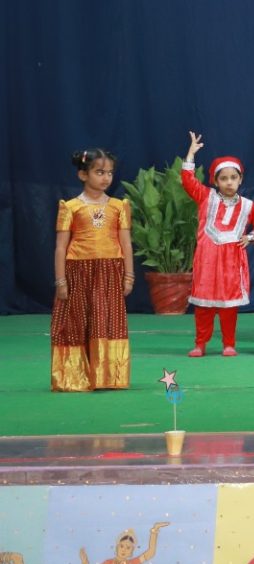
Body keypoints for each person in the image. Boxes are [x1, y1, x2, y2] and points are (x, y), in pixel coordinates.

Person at [52, 148, 134, 392]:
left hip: (110, 271)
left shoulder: (119, 206)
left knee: (106, 319)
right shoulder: (70, 207)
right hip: (78, 272)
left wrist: (129, 276)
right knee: (77, 320)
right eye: (99, 172)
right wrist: (60, 281)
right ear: (82, 175)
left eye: (110, 172)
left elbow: (126, 244)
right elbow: (60, 247)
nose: (106, 177)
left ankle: (107, 375)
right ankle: (74, 376)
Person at [181, 133, 254, 357]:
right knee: (204, 306)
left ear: (240, 179)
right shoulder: (206, 197)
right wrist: (191, 154)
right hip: (207, 261)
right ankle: (200, 344)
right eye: (224, 178)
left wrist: (251, 237)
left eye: (233, 177)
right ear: (215, 181)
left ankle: (229, 343)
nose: (229, 182)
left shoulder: (248, 205)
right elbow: (188, 181)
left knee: (229, 307)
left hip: (232, 263)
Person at [80, 524, 169, 564]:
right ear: (117, 547)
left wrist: (154, 531)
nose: (124, 550)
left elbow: (151, 552)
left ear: (131, 552)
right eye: (122, 546)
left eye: (128, 548)